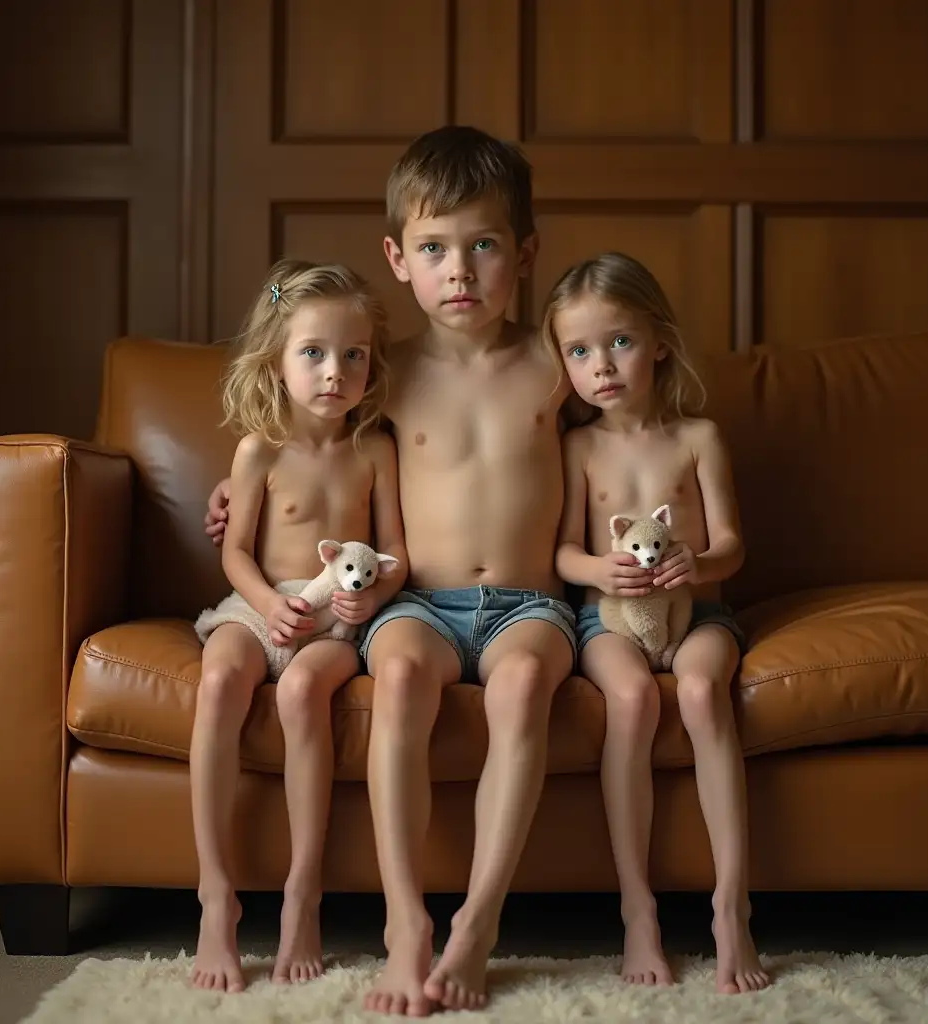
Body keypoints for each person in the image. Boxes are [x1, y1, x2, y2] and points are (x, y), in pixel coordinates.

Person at [205, 126, 576, 1015]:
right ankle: (405, 923)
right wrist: (235, 489)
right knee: (400, 673)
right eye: (435, 249)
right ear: (397, 259)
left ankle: (477, 924)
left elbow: (636, 412)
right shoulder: (382, 372)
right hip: (418, 606)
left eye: (485, 245)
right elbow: (307, 440)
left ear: (523, 254)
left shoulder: (558, 363)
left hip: (531, 604)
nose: (461, 271)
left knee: (523, 685)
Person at [546, 251, 770, 994]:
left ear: (660, 341)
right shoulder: (577, 447)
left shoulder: (698, 437)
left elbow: (732, 543)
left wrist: (699, 566)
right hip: (609, 621)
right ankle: (637, 910)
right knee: (634, 700)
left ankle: (731, 907)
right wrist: (594, 571)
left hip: (696, 613)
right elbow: (565, 552)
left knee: (704, 695)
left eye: (619, 341)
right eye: (578, 351)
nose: (600, 365)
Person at [191, 259, 407, 993]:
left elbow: (396, 554)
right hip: (260, 606)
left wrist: (372, 598)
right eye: (312, 352)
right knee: (219, 679)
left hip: (337, 623)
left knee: (300, 695)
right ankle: (216, 896)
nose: (333, 372)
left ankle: (301, 896)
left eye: (353, 355)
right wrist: (263, 601)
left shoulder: (374, 449)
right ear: (277, 361)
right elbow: (235, 552)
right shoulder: (260, 448)